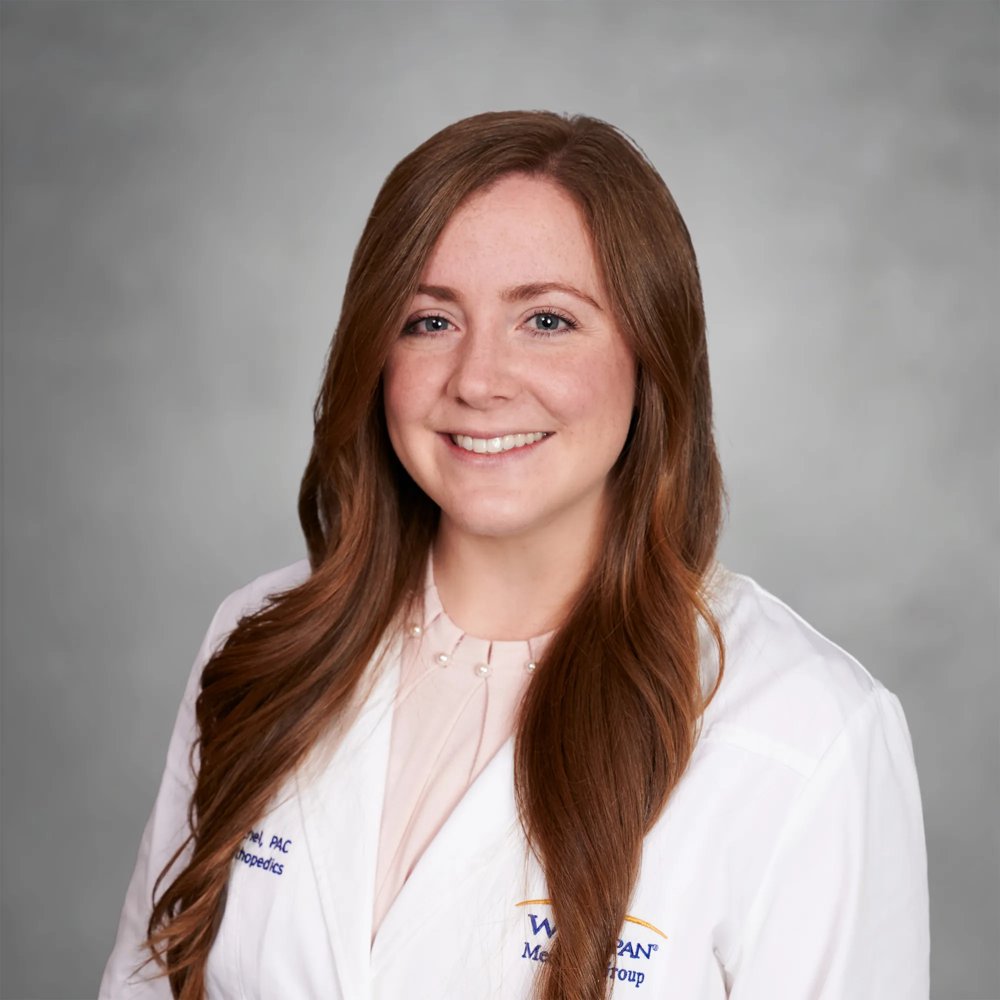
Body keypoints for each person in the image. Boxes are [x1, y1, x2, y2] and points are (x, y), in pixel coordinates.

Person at [100, 111, 929, 1000]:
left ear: (652, 355)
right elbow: (146, 983)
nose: (478, 379)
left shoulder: (809, 733)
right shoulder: (262, 644)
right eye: (429, 320)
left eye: (546, 319)